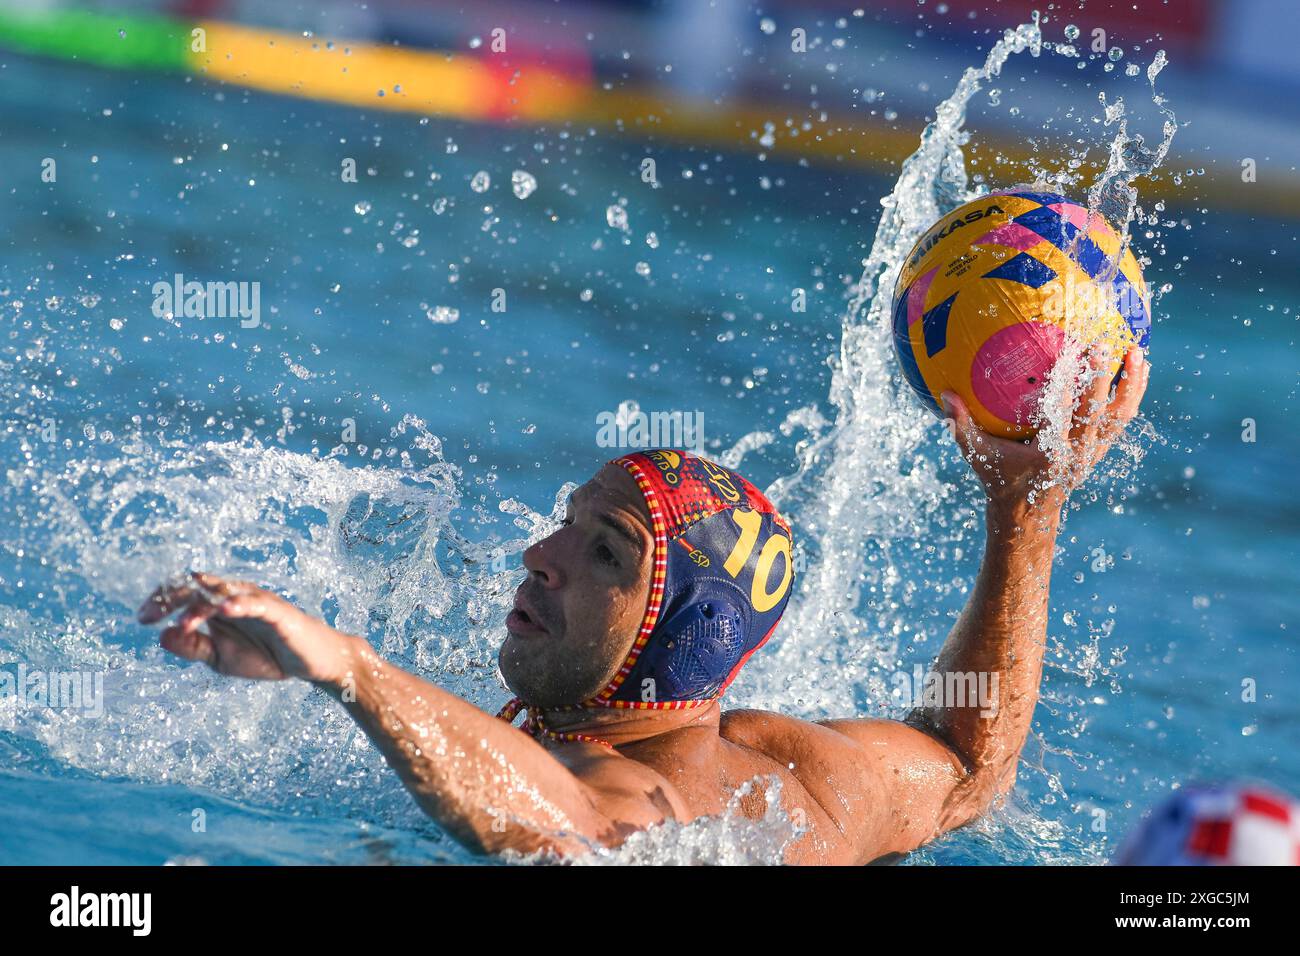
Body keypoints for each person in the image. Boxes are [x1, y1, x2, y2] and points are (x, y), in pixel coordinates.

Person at [138, 344, 1149, 864]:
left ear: (683, 629)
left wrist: (346, 664)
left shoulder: (643, 797)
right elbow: (968, 766)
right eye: (568, 521)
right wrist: (1027, 502)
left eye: (604, 550)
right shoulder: (804, 775)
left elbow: (567, 831)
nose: (540, 555)